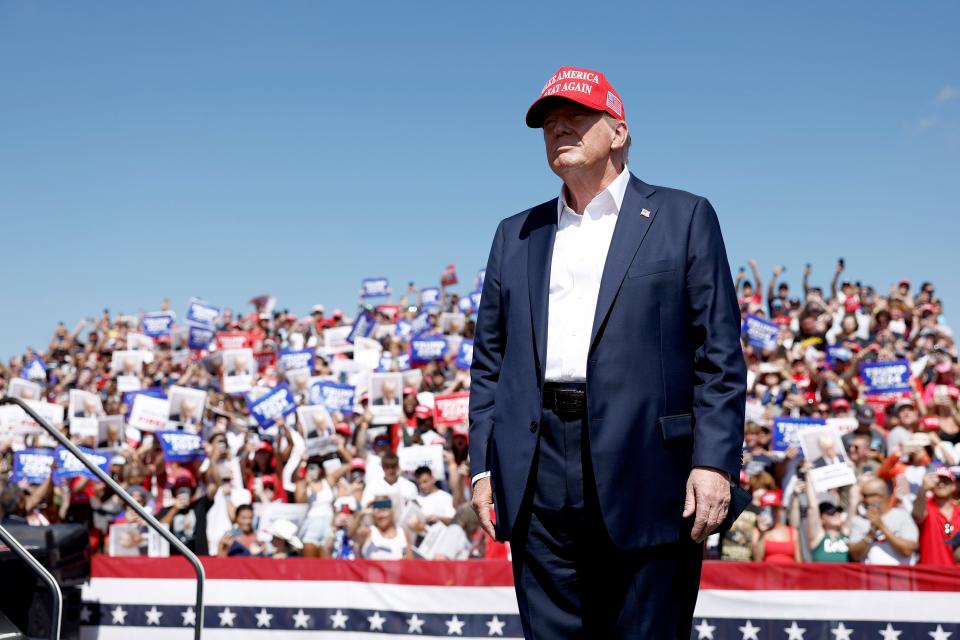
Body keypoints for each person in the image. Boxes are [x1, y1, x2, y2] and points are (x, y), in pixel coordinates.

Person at [468, 66, 747, 638]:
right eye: (548, 122)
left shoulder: (683, 216)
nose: (559, 128)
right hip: (536, 466)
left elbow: (717, 353)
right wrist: (482, 467)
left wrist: (714, 462)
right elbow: (489, 364)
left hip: (648, 468)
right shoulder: (514, 233)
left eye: (576, 116)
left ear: (618, 131)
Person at [848, 477, 919, 565]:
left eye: (865, 495)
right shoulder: (858, 520)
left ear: (880, 496)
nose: (862, 499)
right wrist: (871, 532)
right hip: (870, 577)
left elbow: (907, 550)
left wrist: (881, 526)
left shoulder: (902, 516)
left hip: (900, 576)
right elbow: (855, 555)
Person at [912, 469, 960, 565]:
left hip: (955, 576)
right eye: (937, 481)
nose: (941, 484)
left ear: (953, 486)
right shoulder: (925, 506)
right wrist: (923, 489)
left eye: (946, 481)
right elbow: (918, 514)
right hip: (930, 575)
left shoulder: (958, 512)